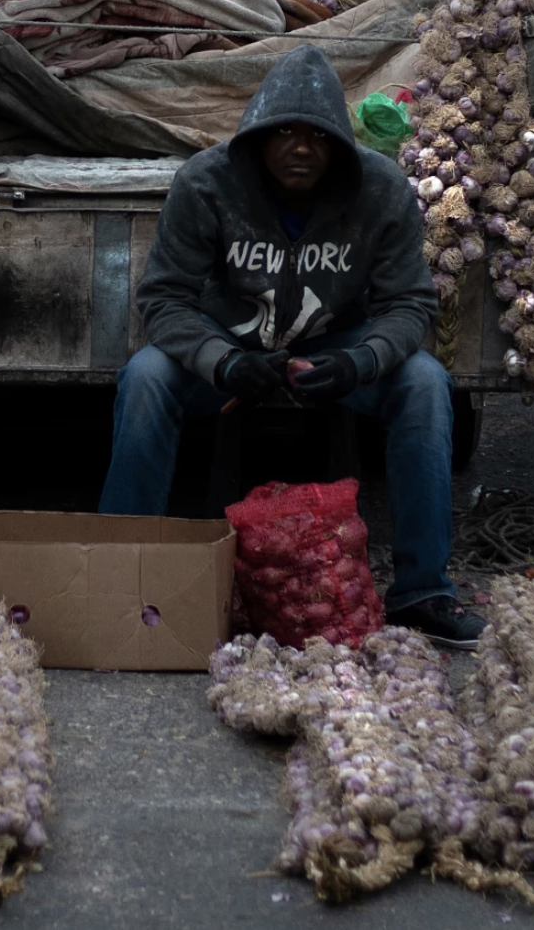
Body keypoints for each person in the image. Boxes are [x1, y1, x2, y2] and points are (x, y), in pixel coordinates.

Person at [98, 44, 483, 649]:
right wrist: (222, 363)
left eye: (317, 136)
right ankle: (118, 574)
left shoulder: (380, 190)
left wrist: (361, 361)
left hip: (337, 349)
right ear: (256, 138)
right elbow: (164, 299)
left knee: (426, 384)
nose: (300, 148)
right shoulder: (207, 182)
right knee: (146, 377)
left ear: (338, 143)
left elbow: (410, 306)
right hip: (232, 347)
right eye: (284, 134)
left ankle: (422, 591)